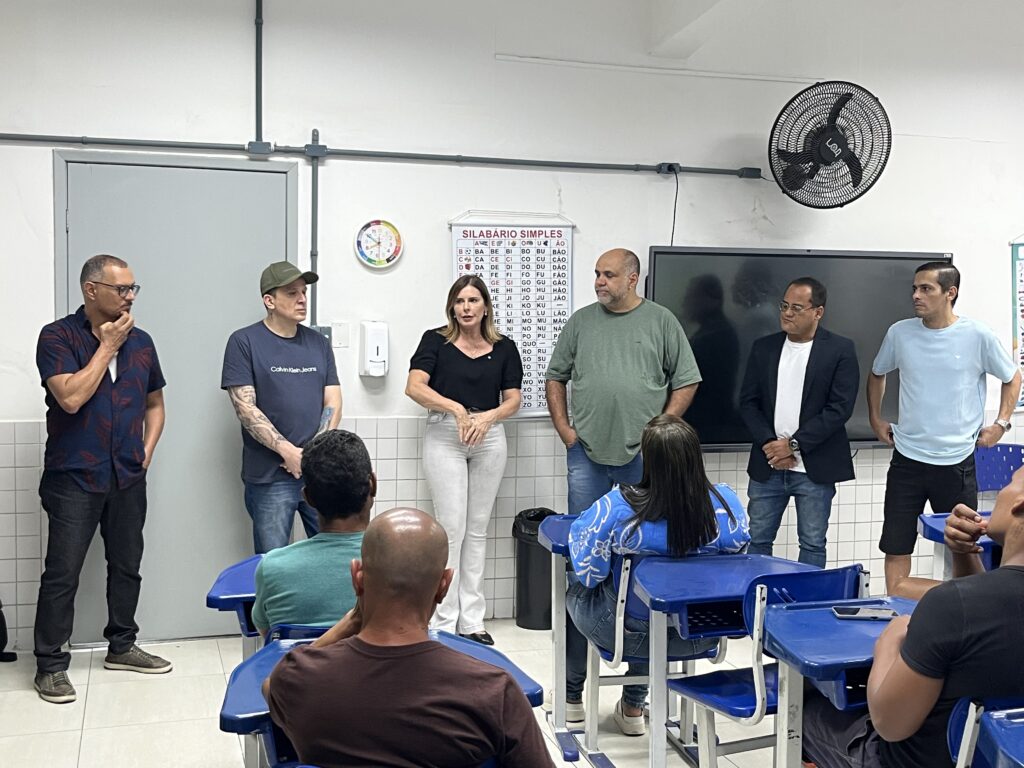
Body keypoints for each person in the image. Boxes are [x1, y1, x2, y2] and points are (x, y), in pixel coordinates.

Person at [264, 508, 555, 768]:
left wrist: (351, 621)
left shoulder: (299, 678)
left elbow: (269, 687)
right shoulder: (493, 692)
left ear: (357, 577)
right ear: (444, 585)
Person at [801, 466, 1024, 768]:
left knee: (804, 705)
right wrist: (963, 553)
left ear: (1020, 504)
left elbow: (889, 725)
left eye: (1011, 482)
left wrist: (889, 642)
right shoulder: (965, 605)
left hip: (912, 760)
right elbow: (990, 613)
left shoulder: (950, 605)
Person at [33, 254, 170, 704]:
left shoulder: (143, 342)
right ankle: (51, 665)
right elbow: (70, 399)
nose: (130, 297)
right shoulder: (57, 337)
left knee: (127, 565)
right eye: (121, 289)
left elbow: (155, 404)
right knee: (63, 573)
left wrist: (146, 453)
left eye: (133, 288)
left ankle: (122, 646)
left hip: (127, 476)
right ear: (91, 290)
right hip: (74, 477)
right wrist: (107, 347)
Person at [564, 415, 750, 735]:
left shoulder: (617, 507)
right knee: (655, 603)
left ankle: (571, 700)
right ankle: (633, 707)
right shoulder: (727, 506)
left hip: (627, 635)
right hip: (700, 634)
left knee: (586, 589)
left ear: (647, 459)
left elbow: (588, 573)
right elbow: (738, 563)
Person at [867, 261, 1020, 596]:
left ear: (950, 293)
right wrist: (875, 418)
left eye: (926, 289)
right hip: (907, 460)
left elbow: (1012, 378)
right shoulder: (900, 333)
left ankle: (961, 611)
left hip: (956, 463)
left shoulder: (977, 335)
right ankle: (898, 605)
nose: (916, 295)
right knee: (896, 545)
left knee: (963, 548)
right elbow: (877, 373)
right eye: (914, 288)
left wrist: (1001, 424)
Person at [405, 275, 522, 645]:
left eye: (473, 300)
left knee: (477, 529)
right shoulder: (435, 341)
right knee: (451, 529)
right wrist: (456, 409)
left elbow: (513, 399)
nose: (466, 308)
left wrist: (488, 417)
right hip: (446, 434)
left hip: (489, 436)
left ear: (485, 306)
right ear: (451, 307)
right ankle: (443, 620)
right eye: (459, 301)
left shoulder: (504, 347)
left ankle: (472, 620)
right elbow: (414, 387)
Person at [545, 248, 701, 516]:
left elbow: (687, 380)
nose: (599, 282)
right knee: (585, 530)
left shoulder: (661, 320)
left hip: (644, 453)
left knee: (644, 531)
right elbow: (555, 377)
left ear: (632, 279)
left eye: (609, 275)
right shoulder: (580, 321)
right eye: (597, 274)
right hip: (585, 450)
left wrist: (660, 430)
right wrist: (564, 430)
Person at [221, 261, 342, 554]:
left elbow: (333, 402)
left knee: (333, 554)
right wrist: (288, 452)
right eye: (291, 293)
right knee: (272, 561)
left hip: (318, 473)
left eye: (304, 292)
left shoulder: (318, 343)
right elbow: (246, 408)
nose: (302, 299)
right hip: (270, 477)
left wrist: (309, 457)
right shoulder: (244, 342)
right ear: (269, 301)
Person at [739, 277, 859, 567]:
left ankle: (808, 597)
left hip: (814, 467)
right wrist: (771, 445)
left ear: (818, 312)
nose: (787, 313)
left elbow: (839, 408)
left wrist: (793, 445)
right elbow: (748, 402)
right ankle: (756, 594)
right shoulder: (764, 347)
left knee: (813, 543)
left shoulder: (840, 349)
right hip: (768, 464)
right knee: (757, 540)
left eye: (796, 308)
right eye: (784, 306)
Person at [251, 430, 373, 635]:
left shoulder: (273, 567)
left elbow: (266, 634)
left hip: (300, 657)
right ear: (373, 485)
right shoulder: (403, 565)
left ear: (307, 497)